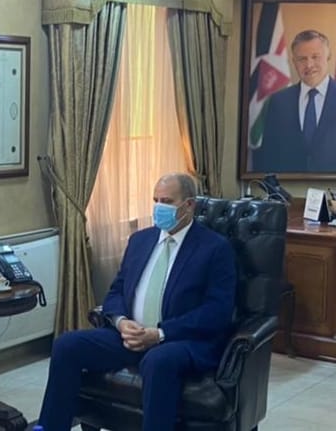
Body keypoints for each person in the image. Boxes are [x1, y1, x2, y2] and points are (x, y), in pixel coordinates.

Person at [36, 173, 236, 431]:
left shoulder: (215, 248)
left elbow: (217, 311)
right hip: (130, 335)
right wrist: (121, 322)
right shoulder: (140, 240)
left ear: (189, 205)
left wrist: (159, 334)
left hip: (181, 340)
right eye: (156, 200)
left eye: (167, 201)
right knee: (66, 345)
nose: (159, 207)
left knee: (158, 361)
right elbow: (117, 291)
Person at [253, 29, 336, 173]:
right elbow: (268, 155)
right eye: (302, 59)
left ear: (328, 56)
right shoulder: (279, 101)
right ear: (294, 62)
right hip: (288, 185)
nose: (309, 65)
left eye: (315, 57)